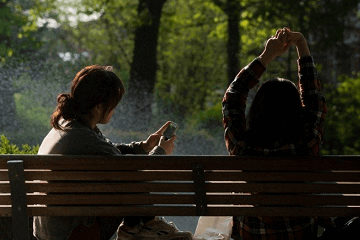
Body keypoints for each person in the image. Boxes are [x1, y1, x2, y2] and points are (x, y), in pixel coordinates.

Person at [33, 65, 193, 240]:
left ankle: (140, 227)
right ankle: (143, 227)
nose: (114, 110)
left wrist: (143, 146)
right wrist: (160, 152)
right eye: (112, 105)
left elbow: (111, 153)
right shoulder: (84, 137)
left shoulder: (68, 124)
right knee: (131, 175)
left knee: (125, 169)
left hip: (52, 231)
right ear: (98, 107)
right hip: (74, 233)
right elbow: (133, 173)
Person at [222, 28, 333, 239]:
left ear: (256, 111)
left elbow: (233, 97)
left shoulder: (242, 147)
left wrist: (267, 56)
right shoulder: (306, 145)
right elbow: (314, 101)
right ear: (297, 113)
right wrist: (301, 45)